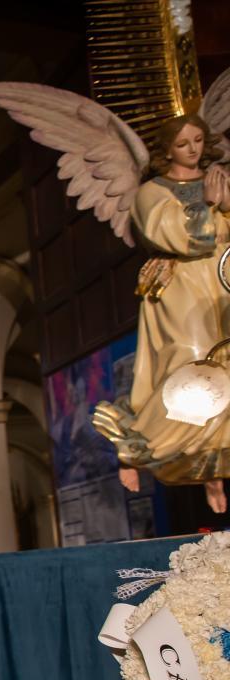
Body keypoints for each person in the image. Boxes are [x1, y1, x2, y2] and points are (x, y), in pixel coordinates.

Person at [98, 113, 230, 509]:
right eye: (183, 143)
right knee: (188, 365)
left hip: (219, 284)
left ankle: (215, 469)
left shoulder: (218, 179)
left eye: (198, 141)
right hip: (181, 288)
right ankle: (134, 449)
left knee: (226, 365)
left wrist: (225, 203)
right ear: (166, 150)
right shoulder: (151, 191)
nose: (193, 150)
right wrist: (208, 206)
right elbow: (170, 234)